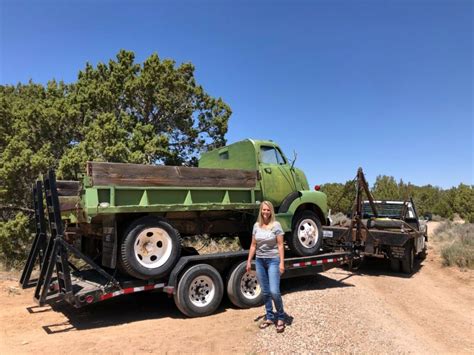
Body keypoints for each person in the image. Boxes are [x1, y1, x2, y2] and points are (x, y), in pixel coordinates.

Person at [246, 200, 286, 333]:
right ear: (261, 211)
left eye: (268, 210)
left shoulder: (276, 225)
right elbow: (253, 245)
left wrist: (281, 263)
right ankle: (269, 316)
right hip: (259, 261)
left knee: (274, 291)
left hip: (273, 260)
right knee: (265, 291)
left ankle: (281, 316)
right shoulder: (256, 226)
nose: (266, 212)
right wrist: (248, 261)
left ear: (271, 212)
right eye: (264, 209)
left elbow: (280, 245)